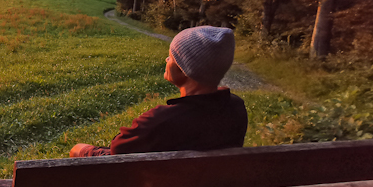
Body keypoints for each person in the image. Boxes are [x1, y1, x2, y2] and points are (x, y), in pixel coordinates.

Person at [70, 26, 248, 158]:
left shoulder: (160, 121)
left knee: (78, 150)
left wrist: (87, 151)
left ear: (184, 69)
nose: (167, 59)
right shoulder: (235, 108)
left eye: (172, 56)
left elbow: (117, 153)